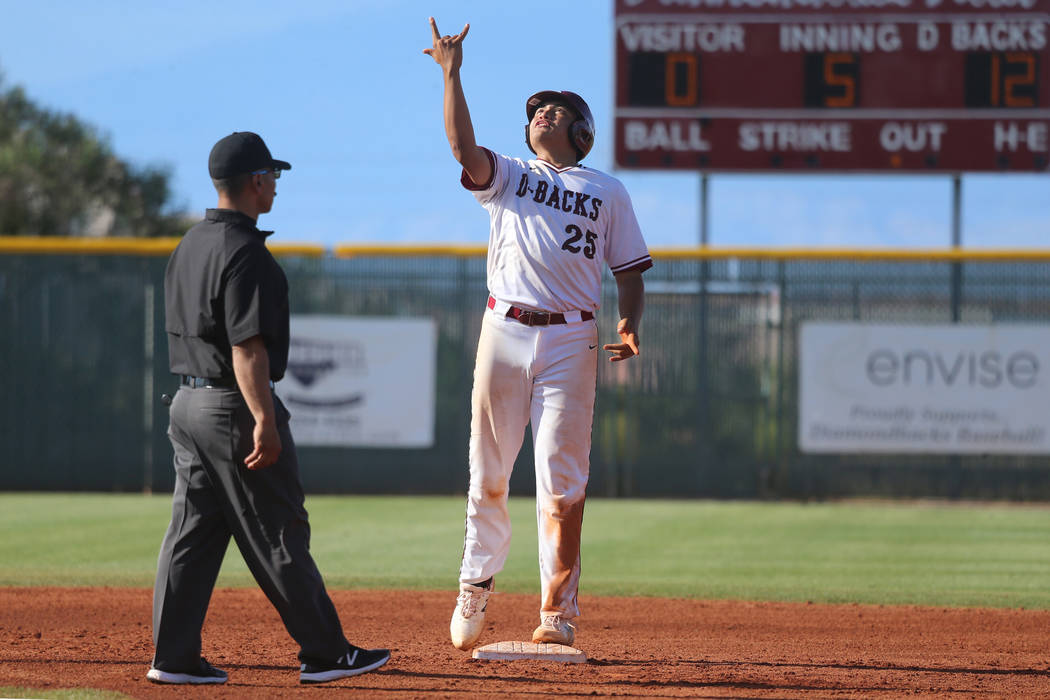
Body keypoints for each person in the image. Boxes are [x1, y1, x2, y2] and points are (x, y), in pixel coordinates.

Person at [424, 19, 652, 650]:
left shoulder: (607, 191)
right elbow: (462, 148)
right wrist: (452, 73)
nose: (542, 115)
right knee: (489, 472)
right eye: (535, 111)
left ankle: (557, 613)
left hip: (572, 342)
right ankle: (476, 582)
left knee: (562, 479)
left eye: (556, 110)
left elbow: (630, 272)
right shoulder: (510, 175)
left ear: (582, 132)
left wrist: (631, 324)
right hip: (505, 329)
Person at [149, 131, 390, 685]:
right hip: (232, 406)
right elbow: (246, 346)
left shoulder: (189, 244)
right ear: (256, 181)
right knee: (277, 527)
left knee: (191, 532)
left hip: (185, 404)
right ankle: (327, 653)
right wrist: (262, 417)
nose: (276, 185)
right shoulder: (245, 252)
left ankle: (173, 656)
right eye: (273, 176)